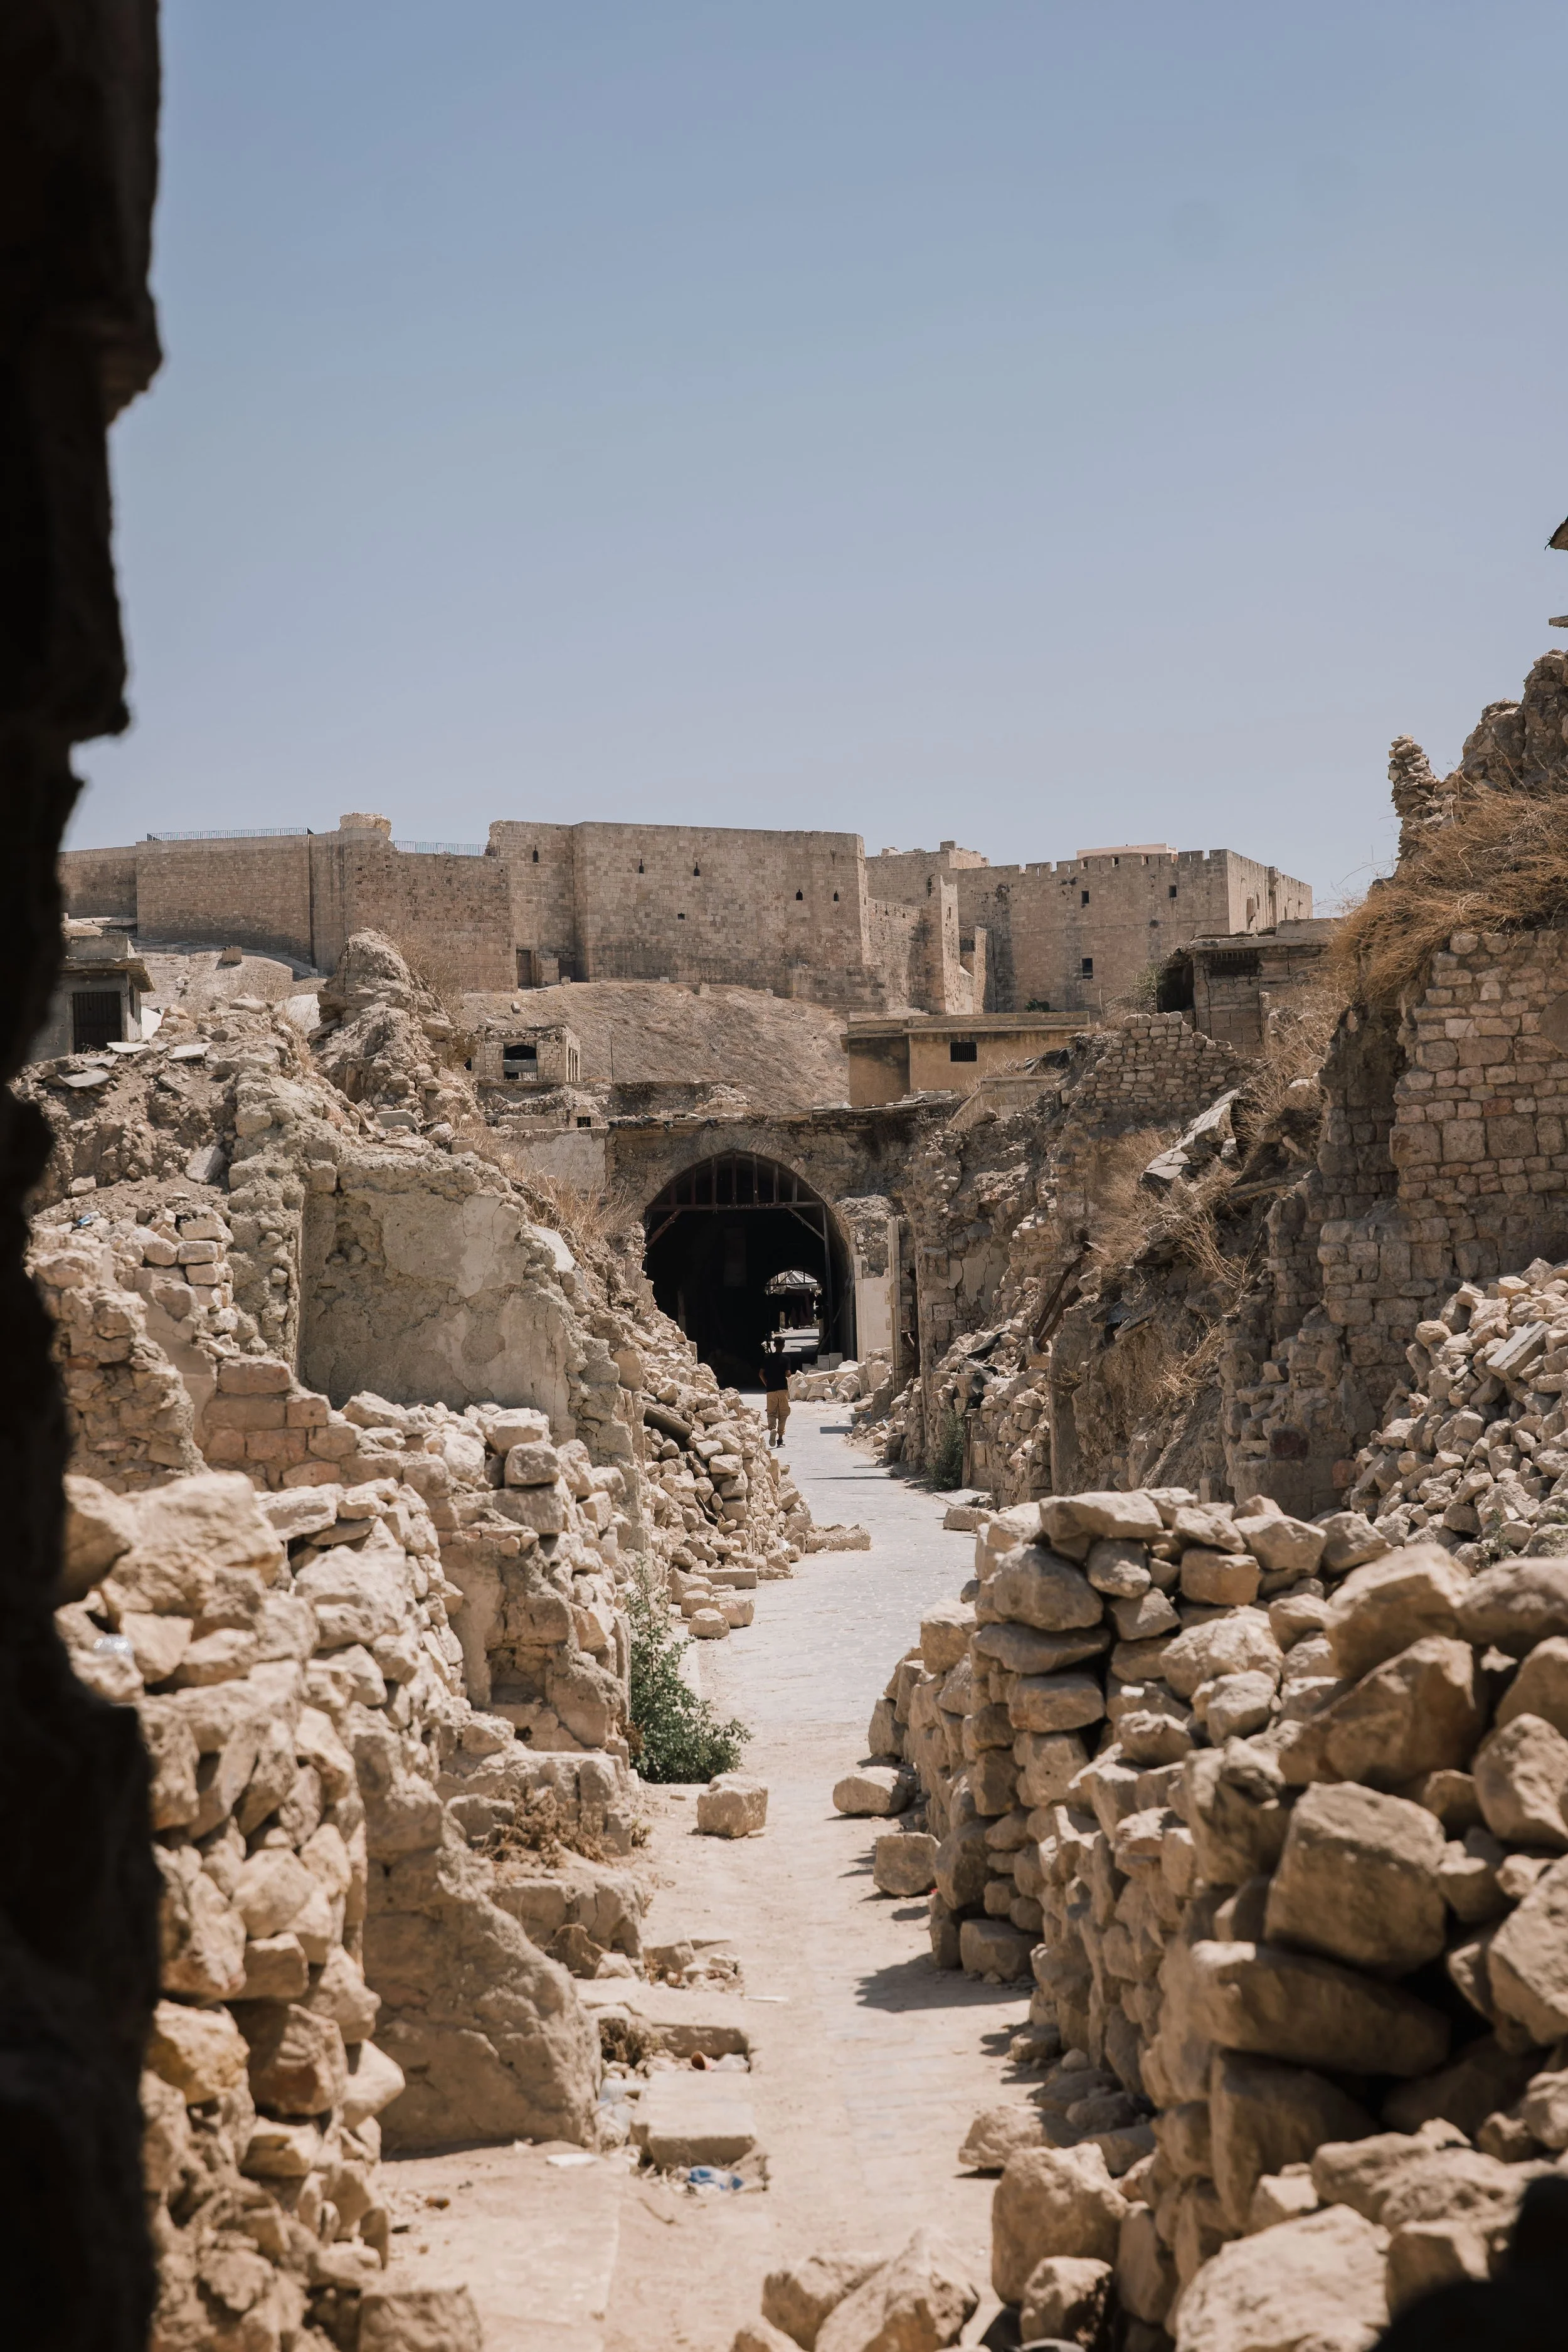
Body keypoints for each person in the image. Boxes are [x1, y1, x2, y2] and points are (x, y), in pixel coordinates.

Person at [760, 1337, 790, 1448]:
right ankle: (780, 1439)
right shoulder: (786, 1359)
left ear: (774, 1345)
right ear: (783, 1346)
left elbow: (761, 1373)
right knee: (784, 1413)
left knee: (771, 1412)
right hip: (782, 1388)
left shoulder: (767, 1358)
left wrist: (766, 1384)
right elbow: (788, 1373)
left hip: (771, 1390)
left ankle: (772, 1428)